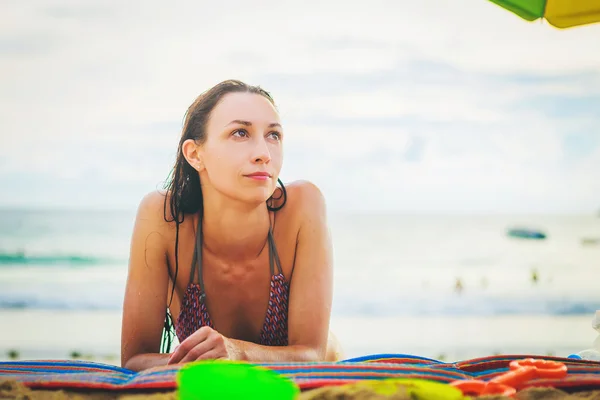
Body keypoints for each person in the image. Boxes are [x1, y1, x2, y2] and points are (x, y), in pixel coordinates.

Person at [121, 80, 341, 371]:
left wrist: (237, 352)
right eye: (241, 133)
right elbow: (135, 359)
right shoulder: (164, 219)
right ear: (195, 154)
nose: (264, 152)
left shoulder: (302, 206)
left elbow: (312, 353)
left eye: (273, 135)